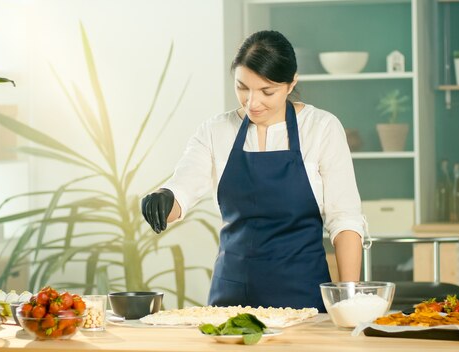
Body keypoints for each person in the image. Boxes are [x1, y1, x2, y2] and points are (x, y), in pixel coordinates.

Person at [141, 30, 365, 311]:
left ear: (291, 83)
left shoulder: (320, 128)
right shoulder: (215, 131)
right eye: (242, 87)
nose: (252, 102)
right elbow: (182, 190)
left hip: (303, 297)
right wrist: (164, 198)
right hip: (231, 300)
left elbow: (344, 221)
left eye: (266, 91)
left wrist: (349, 300)